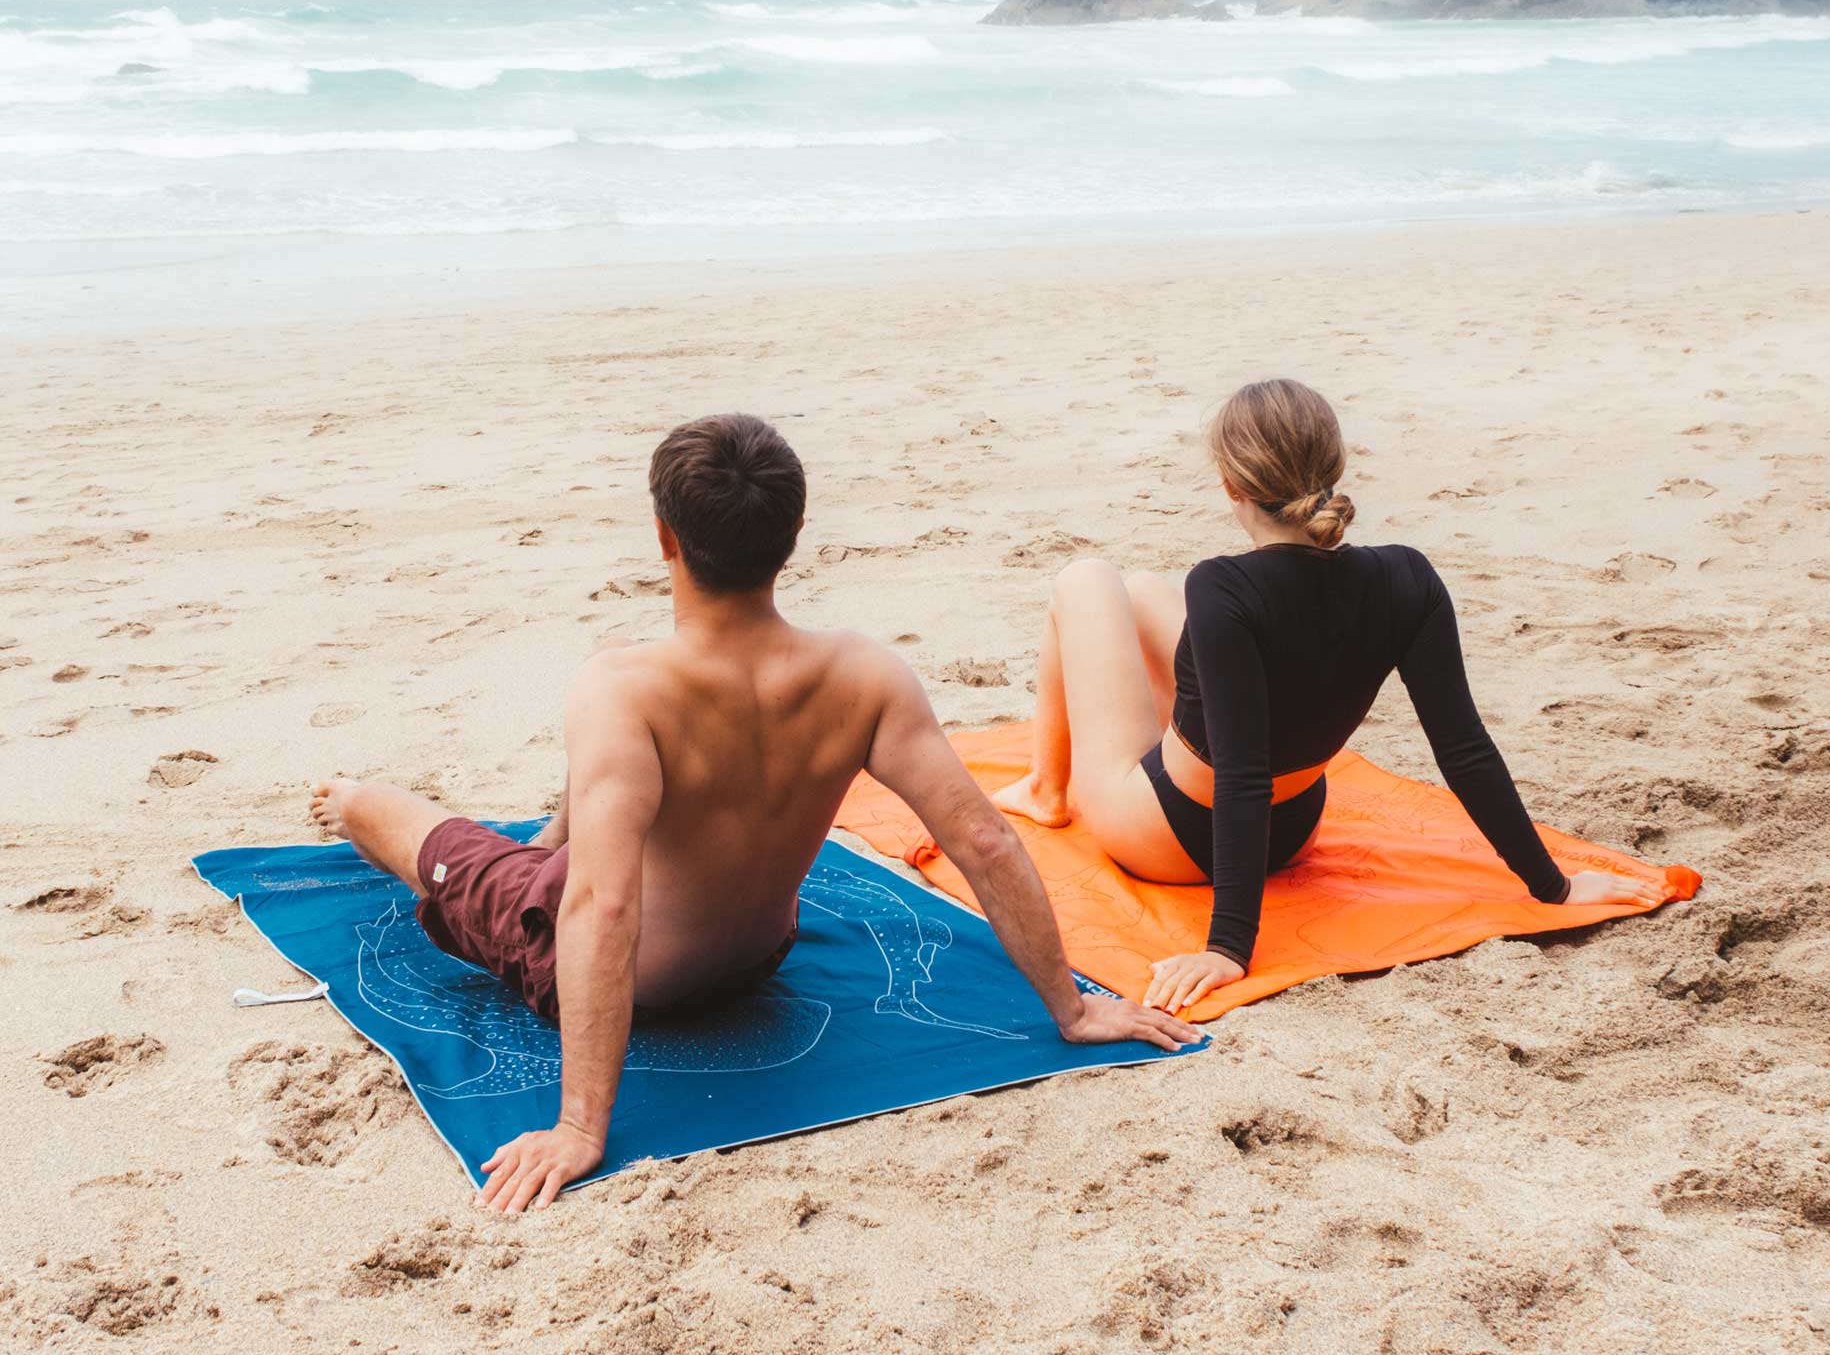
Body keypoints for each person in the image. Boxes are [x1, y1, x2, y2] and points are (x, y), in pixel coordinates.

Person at [310, 413, 1196, 1213]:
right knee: (608, 741)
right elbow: (984, 839)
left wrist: (581, 1127)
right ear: (794, 536)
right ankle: (552, 837)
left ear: (666, 537)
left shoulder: (622, 689)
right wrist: (1072, 1009)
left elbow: (603, 907)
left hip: (638, 978)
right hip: (757, 957)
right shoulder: (864, 675)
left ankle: (351, 803)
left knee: (398, 817)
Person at [993, 377, 1662, 1017]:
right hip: (1295, 829)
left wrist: (1228, 948)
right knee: (1141, 591)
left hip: (1170, 838)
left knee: (1086, 579)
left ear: (1230, 485)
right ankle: (1055, 783)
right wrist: (1553, 885)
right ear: (1333, 468)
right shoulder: (1407, 576)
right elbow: (1464, 749)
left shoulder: (1221, 586)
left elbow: (1241, 773)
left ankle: (1048, 790)